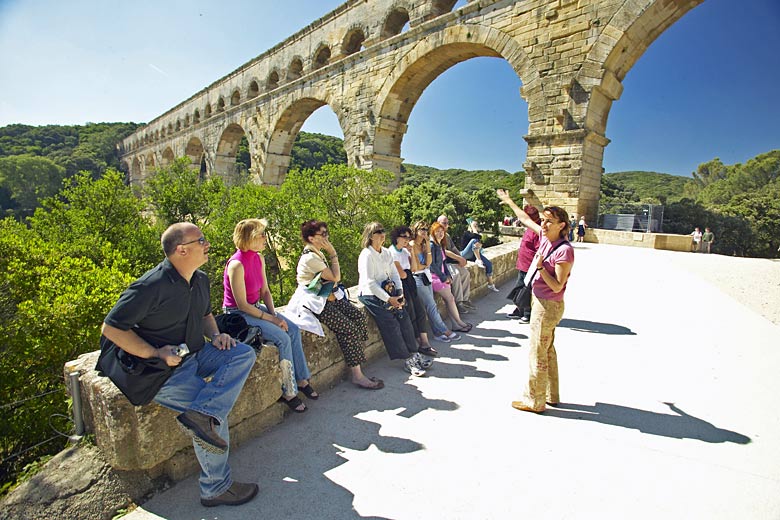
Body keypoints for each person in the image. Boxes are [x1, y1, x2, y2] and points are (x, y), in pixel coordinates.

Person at [101, 222, 258, 507]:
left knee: (242, 354)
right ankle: (215, 488)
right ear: (181, 249)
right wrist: (154, 353)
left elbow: (205, 314)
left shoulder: (198, 279)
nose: (207, 244)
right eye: (201, 240)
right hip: (158, 373)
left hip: (194, 355)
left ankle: (203, 414)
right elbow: (111, 329)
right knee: (212, 420)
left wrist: (217, 335)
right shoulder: (151, 286)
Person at [223, 218, 317, 414]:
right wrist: (273, 320)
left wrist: (276, 315)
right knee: (282, 338)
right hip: (239, 314)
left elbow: (265, 291)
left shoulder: (258, 258)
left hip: (255, 307)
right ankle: (289, 392)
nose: (265, 238)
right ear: (249, 238)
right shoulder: (236, 265)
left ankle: (302, 379)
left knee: (292, 329)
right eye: (261, 235)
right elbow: (241, 304)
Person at [497, 189, 575, 414]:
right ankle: (551, 395)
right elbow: (523, 218)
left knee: (537, 353)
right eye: (542, 220)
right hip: (541, 302)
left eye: (549, 221)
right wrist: (508, 200)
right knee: (547, 350)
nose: (543, 225)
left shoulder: (564, 251)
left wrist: (541, 267)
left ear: (561, 225)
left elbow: (558, 285)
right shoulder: (544, 238)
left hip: (547, 305)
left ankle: (535, 400)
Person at [286, 220, 384, 390]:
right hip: (314, 302)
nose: (327, 237)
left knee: (358, 316)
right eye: (322, 234)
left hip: (327, 296)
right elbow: (335, 278)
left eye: (326, 232)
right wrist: (333, 253)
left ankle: (356, 358)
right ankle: (357, 375)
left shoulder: (317, 253)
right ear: (311, 238)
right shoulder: (310, 257)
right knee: (349, 329)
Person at [357, 222, 428, 376]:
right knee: (390, 322)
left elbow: (395, 274)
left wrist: (399, 292)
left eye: (383, 230)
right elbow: (370, 282)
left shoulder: (385, 252)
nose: (382, 233)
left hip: (388, 291)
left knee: (404, 317)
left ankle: (414, 353)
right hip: (370, 294)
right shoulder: (366, 255)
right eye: (377, 231)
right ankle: (407, 359)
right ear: (370, 236)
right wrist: (389, 299)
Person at [390, 226, 437, 366]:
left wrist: (411, 254)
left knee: (420, 311)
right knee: (410, 312)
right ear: (397, 237)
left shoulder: (405, 251)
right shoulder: (392, 252)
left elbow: (414, 268)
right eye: (404, 237)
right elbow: (402, 274)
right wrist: (408, 268)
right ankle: (417, 343)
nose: (407, 240)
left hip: (410, 282)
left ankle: (424, 342)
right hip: (401, 284)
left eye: (408, 237)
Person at [409, 221, 462, 344]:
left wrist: (427, 243)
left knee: (430, 306)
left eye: (426, 229)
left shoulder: (424, 244)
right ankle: (445, 330)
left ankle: (438, 333)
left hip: (425, 276)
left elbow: (427, 263)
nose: (424, 232)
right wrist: (424, 262)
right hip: (417, 277)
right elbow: (416, 267)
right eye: (421, 229)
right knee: (432, 305)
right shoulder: (412, 245)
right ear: (416, 230)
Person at [429, 221, 473, 333]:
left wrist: (448, 275)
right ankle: (459, 323)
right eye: (437, 231)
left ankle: (456, 324)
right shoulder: (432, 245)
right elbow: (432, 265)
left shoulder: (440, 245)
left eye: (441, 231)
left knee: (449, 300)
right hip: (435, 277)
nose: (440, 233)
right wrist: (444, 277)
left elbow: (443, 263)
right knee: (450, 299)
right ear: (433, 233)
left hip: (442, 276)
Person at [507, 205, 541, 323]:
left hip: (530, 267)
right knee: (519, 288)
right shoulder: (530, 228)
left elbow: (539, 250)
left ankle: (527, 313)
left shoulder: (537, 231)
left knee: (526, 290)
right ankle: (519, 310)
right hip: (523, 265)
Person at [436, 214, 475, 314]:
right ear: (438, 223)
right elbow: (444, 251)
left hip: (451, 262)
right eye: (444, 223)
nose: (446, 225)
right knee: (456, 275)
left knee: (465, 273)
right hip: (443, 263)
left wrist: (461, 258)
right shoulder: (436, 235)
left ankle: (465, 299)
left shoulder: (447, 235)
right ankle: (459, 302)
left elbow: (453, 248)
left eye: (447, 223)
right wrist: (458, 258)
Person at [460, 219, 500, 292]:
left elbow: (479, 242)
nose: (475, 227)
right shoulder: (466, 233)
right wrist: (473, 227)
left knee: (489, 264)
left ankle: (491, 284)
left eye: (476, 226)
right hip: (464, 254)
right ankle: (478, 260)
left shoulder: (474, 235)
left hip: (473, 254)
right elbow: (477, 237)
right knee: (474, 240)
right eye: (474, 225)